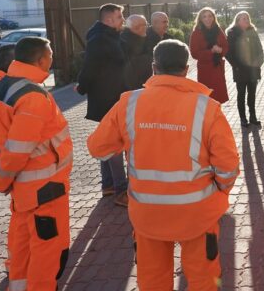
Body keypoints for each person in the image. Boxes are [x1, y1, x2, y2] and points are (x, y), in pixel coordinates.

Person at [87, 39, 239, 291]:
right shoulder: (207, 108)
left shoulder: (129, 104)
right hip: (197, 213)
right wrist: (221, 189)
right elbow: (227, 165)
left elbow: (97, 147)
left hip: (147, 213)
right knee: (204, 279)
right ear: (186, 69)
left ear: (153, 67)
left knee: (153, 280)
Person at [0, 37, 73, 290]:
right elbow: (19, 148)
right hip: (45, 190)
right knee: (45, 253)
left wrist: (2, 176)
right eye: (51, 53)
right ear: (41, 59)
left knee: (21, 249)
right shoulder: (32, 95)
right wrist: (1, 179)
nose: (52, 58)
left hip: (22, 191)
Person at [76, 3, 128, 206]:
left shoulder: (109, 35)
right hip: (107, 98)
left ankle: (108, 185)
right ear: (108, 20)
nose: (123, 19)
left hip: (112, 96)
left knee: (109, 140)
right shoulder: (99, 39)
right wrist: (81, 87)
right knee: (113, 142)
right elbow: (89, 66)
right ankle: (121, 190)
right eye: (120, 16)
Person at [226, 11, 264, 128]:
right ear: (237, 21)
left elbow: (259, 49)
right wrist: (236, 66)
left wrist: (259, 62)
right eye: (243, 18)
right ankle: (243, 118)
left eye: (247, 18)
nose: (246, 20)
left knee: (252, 94)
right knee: (241, 94)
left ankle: (253, 117)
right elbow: (228, 53)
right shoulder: (232, 33)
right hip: (240, 70)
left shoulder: (252, 32)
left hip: (253, 69)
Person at [189, 7, 229, 104]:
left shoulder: (218, 30)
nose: (208, 19)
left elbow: (226, 46)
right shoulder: (196, 33)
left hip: (218, 68)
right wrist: (211, 51)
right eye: (204, 16)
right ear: (200, 19)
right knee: (207, 98)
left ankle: (217, 117)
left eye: (210, 16)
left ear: (214, 17)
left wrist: (221, 50)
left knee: (218, 98)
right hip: (205, 70)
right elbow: (194, 53)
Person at [120, 14, 150, 90]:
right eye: (140, 26)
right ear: (132, 28)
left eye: (145, 24)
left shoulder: (143, 39)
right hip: (133, 89)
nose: (145, 27)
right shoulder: (126, 43)